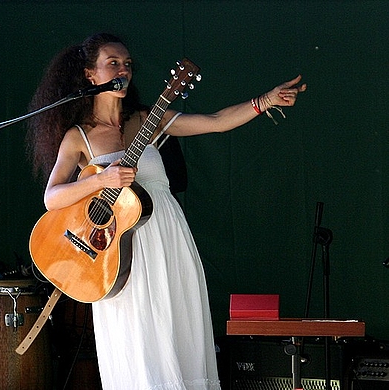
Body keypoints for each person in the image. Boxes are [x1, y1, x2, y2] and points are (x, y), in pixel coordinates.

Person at [26, 32, 306, 390]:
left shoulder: (147, 119)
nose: (123, 70)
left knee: (178, 328)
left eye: (128, 64)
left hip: (167, 237)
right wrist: (102, 179)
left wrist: (265, 100)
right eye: (113, 63)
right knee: (139, 339)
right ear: (89, 75)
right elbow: (53, 197)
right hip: (117, 254)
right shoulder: (79, 136)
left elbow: (216, 121)